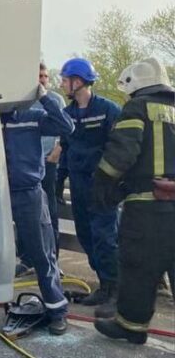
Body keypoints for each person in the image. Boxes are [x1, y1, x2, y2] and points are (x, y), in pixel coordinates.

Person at [92, 58, 175, 345]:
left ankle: (132, 326)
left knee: (139, 268)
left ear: (135, 84)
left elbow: (120, 156)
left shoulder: (137, 108)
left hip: (147, 208)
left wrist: (101, 186)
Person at [1, 83, 74, 335]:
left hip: (27, 193)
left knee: (42, 253)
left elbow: (66, 127)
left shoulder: (31, 117)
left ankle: (57, 311)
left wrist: (44, 97)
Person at [59, 57, 121, 307]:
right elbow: (64, 149)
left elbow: (119, 149)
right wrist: (58, 181)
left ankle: (113, 288)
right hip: (78, 185)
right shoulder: (66, 114)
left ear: (78, 81)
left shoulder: (108, 110)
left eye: (65, 80)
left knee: (105, 237)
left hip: (103, 187)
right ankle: (105, 282)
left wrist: (110, 180)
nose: (62, 85)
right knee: (85, 235)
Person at [34, 62, 66, 253]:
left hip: (48, 162)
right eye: (40, 76)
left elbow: (66, 129)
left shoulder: (55, 100)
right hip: (28, 163)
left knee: (51, 210)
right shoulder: (24, 101)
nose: (43, 79)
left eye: (45, 76)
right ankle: (27, 256)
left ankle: (54, 254)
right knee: (27, 212)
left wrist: (57, 152)